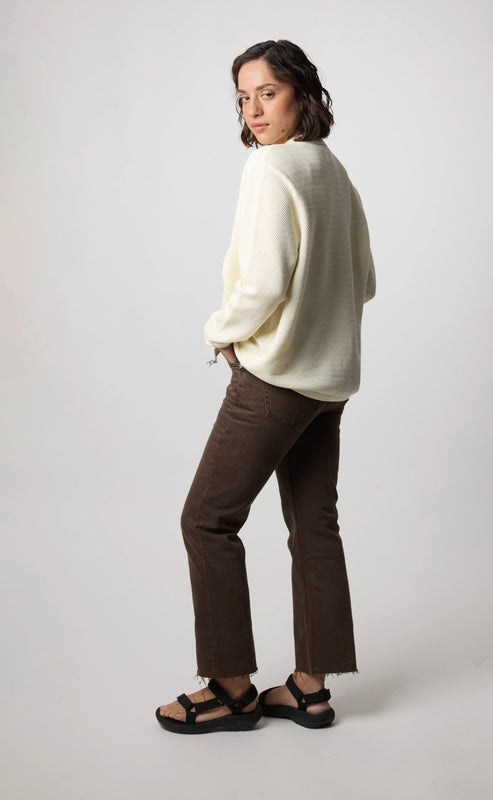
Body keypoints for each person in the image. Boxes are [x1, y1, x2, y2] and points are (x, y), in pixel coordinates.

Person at [156, 39, 375, 734]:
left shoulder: (271, 168)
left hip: (276, 383)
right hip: (328, 384)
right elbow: (365, 281)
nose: (253, 109)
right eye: (243, 97)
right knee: (314, 523)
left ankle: (229, 688)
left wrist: (220, 332)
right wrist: (320, 328)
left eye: (267, 93)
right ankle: (310, 690)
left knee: (206, 520)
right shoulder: (332, 170)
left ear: (300, 94)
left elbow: (262, 285)